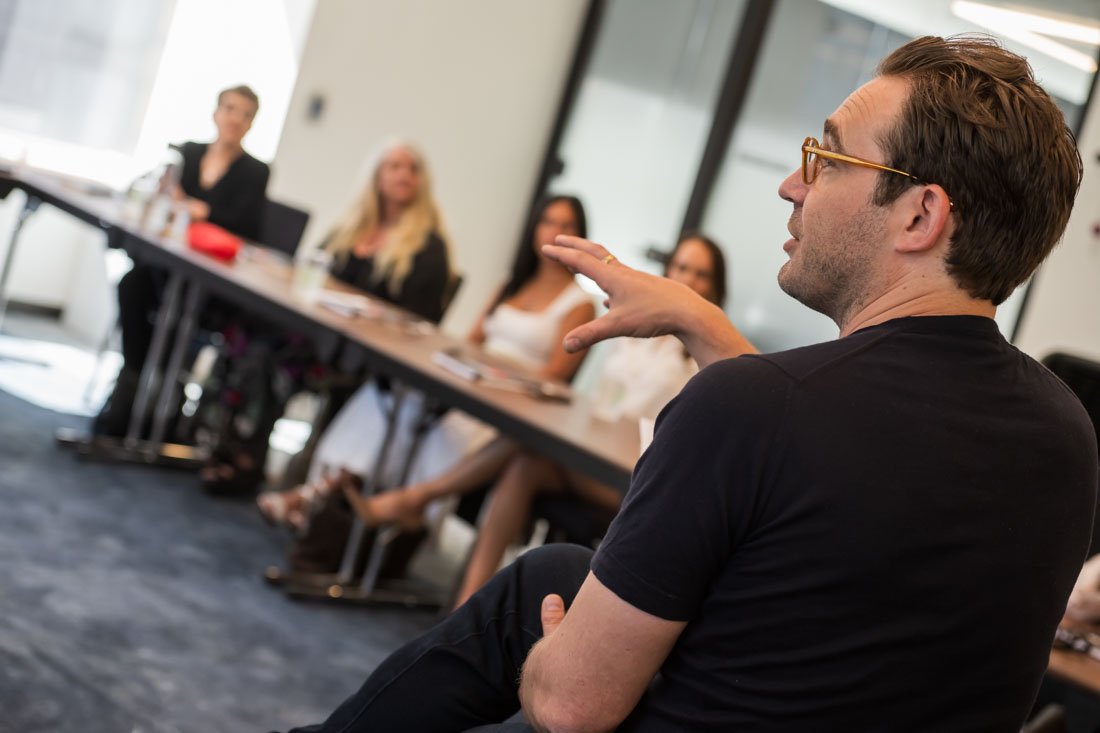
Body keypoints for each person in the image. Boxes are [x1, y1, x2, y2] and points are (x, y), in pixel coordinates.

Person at [278, 36, 1097, 732]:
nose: (792, 184)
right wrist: (700, 321)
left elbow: (568, 705)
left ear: (919, 215)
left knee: (542, 591)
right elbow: (837, 442)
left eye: (826, 156)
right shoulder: (1064, 436)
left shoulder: (751, 410)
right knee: (558, 573)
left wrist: (558, 656)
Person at [339, 233, 727, 608]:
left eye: (701, 273)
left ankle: (418, 498)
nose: (688, 279)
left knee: (528, 444)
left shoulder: (705, 356)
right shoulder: (636, 332)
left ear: (715, 286)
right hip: (597, 453)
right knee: (525, 463)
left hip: (636, 476)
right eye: (682, 267)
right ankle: (466, 603)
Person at [256, 195, 596, 543]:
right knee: (392, 396)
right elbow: (472, 341)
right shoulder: (512, 283)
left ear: (580, 233)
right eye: (548, 221)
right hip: (473, 384)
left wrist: (496, 372)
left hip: (508, 407)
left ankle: (353, 505)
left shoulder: (580, 305)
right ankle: (327, 493)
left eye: (566, 225)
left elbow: (554, 378)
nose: (555, 232)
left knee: (425, 424)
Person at [200, 140, 452, 492]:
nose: (404, 175)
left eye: (413, 169)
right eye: (394, 166)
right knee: (246, 334)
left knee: (271, 356)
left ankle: (247, 457)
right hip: (319, 335)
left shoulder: (428, 247)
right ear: (377, 176)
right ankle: (221, 439)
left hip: (359, 356)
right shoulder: (352, 228)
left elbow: (418, 322)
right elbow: (312, 271)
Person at [94, 85, 270, 437]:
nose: (235, 119)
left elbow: (247, 226)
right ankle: (135, 377)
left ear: (252, 123)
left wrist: (200, 209)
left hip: (210, 278)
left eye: (245, 114)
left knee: (182, 313)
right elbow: (161, 198)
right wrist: (185, 204)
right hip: (166, 265)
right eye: (230, 109)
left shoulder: (255, 171)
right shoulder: (187, 153)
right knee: (133, 285)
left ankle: (159, 398)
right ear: (216, 112)